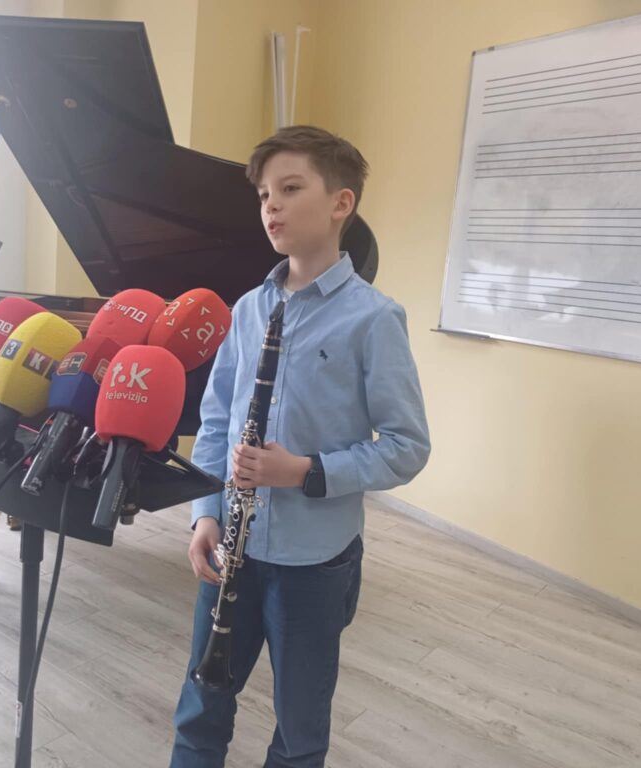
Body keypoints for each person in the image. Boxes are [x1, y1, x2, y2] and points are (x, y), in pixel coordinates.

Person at [170, 125, 430, 768]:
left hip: (314, 565)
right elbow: (216, 421)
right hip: (233, 547)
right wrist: (204, 513)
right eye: (264, 195)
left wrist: (304, 471)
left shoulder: (374, 319)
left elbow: (406, 446)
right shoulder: (247, 309)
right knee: (201, 707)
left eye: (290, 189)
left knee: (300, 728)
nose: (272, 207)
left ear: (341, 203)